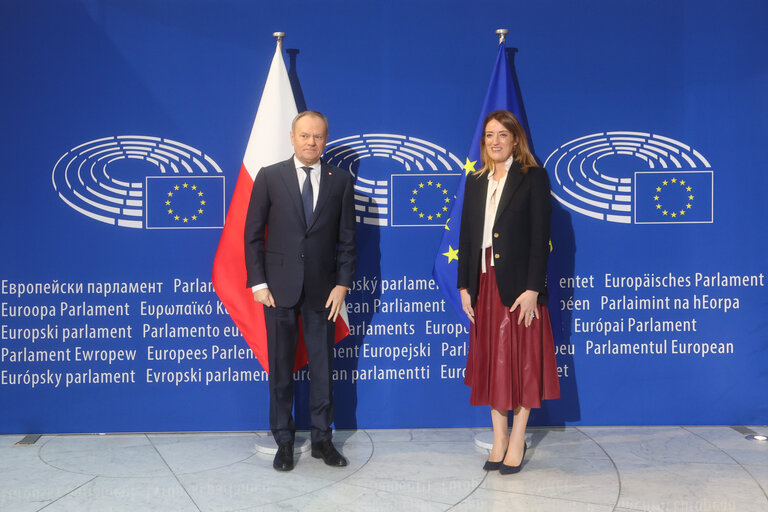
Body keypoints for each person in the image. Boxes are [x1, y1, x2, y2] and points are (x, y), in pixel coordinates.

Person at [244, 110, 356, 472]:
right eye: (304, 135)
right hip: (278, 291)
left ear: (326, 140)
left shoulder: (340, 181)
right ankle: (284, 440)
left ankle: (323, 440)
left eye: (318, 136)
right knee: (280, 370)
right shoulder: (269, 177)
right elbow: (253, 236)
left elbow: (347, 240)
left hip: (323, 292)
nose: (311, 142)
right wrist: (259, 284)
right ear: (291, 137)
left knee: (323, 368)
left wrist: (342, 284)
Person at [457, 110, 560, 474]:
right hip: (484, 285)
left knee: (521, 365)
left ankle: (517, 440)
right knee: (491, 364)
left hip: (518, 288)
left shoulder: (533, 178)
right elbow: (467, 239)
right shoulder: (475, 181)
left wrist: (533, 288)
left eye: (502, 134)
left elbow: (539, 239)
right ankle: (498, 440)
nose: (495, 141)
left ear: (515, 140)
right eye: (489, 135)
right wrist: (464, 285)